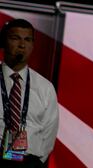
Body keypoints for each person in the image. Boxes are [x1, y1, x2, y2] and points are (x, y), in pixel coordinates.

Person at [0, 19, 58, 167]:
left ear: (33, 45)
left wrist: (36, 163)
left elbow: (49, 134)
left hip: (29, 162)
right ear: (3, 42)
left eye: (27, 40)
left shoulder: (45, 87)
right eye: (15, 38)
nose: (22, 45)